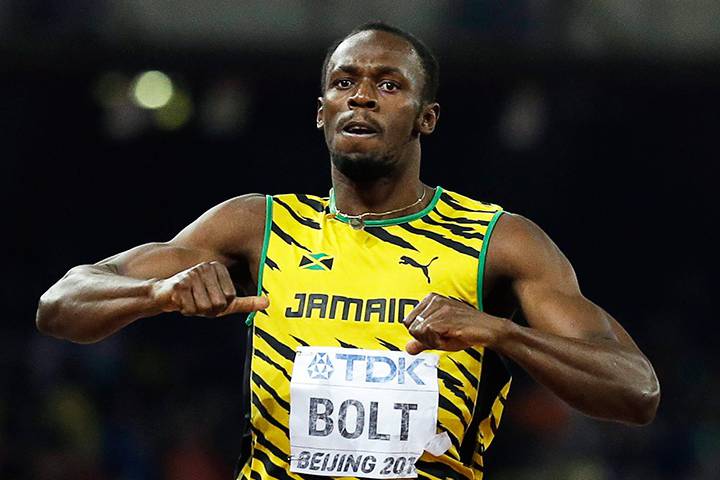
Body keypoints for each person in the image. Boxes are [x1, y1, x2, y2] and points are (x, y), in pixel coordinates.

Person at [36, 22, 660, 480]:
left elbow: (636, 391)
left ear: (427, 117)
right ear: (321, 112)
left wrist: (501, 333)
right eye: (344, 83)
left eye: (388, 85)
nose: (361, 96)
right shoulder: (256, 224)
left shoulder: (500, 241)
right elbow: (59, 306)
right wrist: (155, 293)